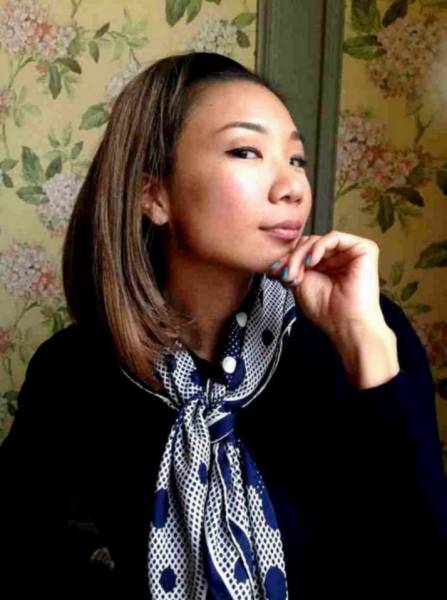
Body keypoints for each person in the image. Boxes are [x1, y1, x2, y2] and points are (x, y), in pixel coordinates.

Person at [0, 51, 446, 600]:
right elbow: (20, 554)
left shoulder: (364, 330)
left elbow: (424, 570)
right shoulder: (74, 371)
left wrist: (363, 343)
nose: (292, 187)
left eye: (296, 159)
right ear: (152, 194)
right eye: (246, 151)